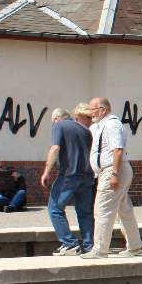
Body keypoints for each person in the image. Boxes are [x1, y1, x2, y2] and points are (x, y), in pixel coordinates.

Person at [83, 96, 142, 258]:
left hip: (113, 170)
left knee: (102, 209)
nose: (90, 113)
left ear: (103, 109)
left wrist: (114, 174)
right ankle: (135, 246)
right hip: (112, 170)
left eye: (93, 109)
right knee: (124, 210)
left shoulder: (112, 124)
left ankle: (100, 250)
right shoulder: (101, 125)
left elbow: (117, 149)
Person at [40, 104, 95, 256]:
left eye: (53, 121)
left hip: (69, 175)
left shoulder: (60, 126)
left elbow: (55, 148)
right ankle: (89, 245)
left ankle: (69, 243)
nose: (53, 123)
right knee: (85, 212)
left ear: (57, 118)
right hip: (88, 175)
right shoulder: (85, 130)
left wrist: (46, 171)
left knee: (55, 208)